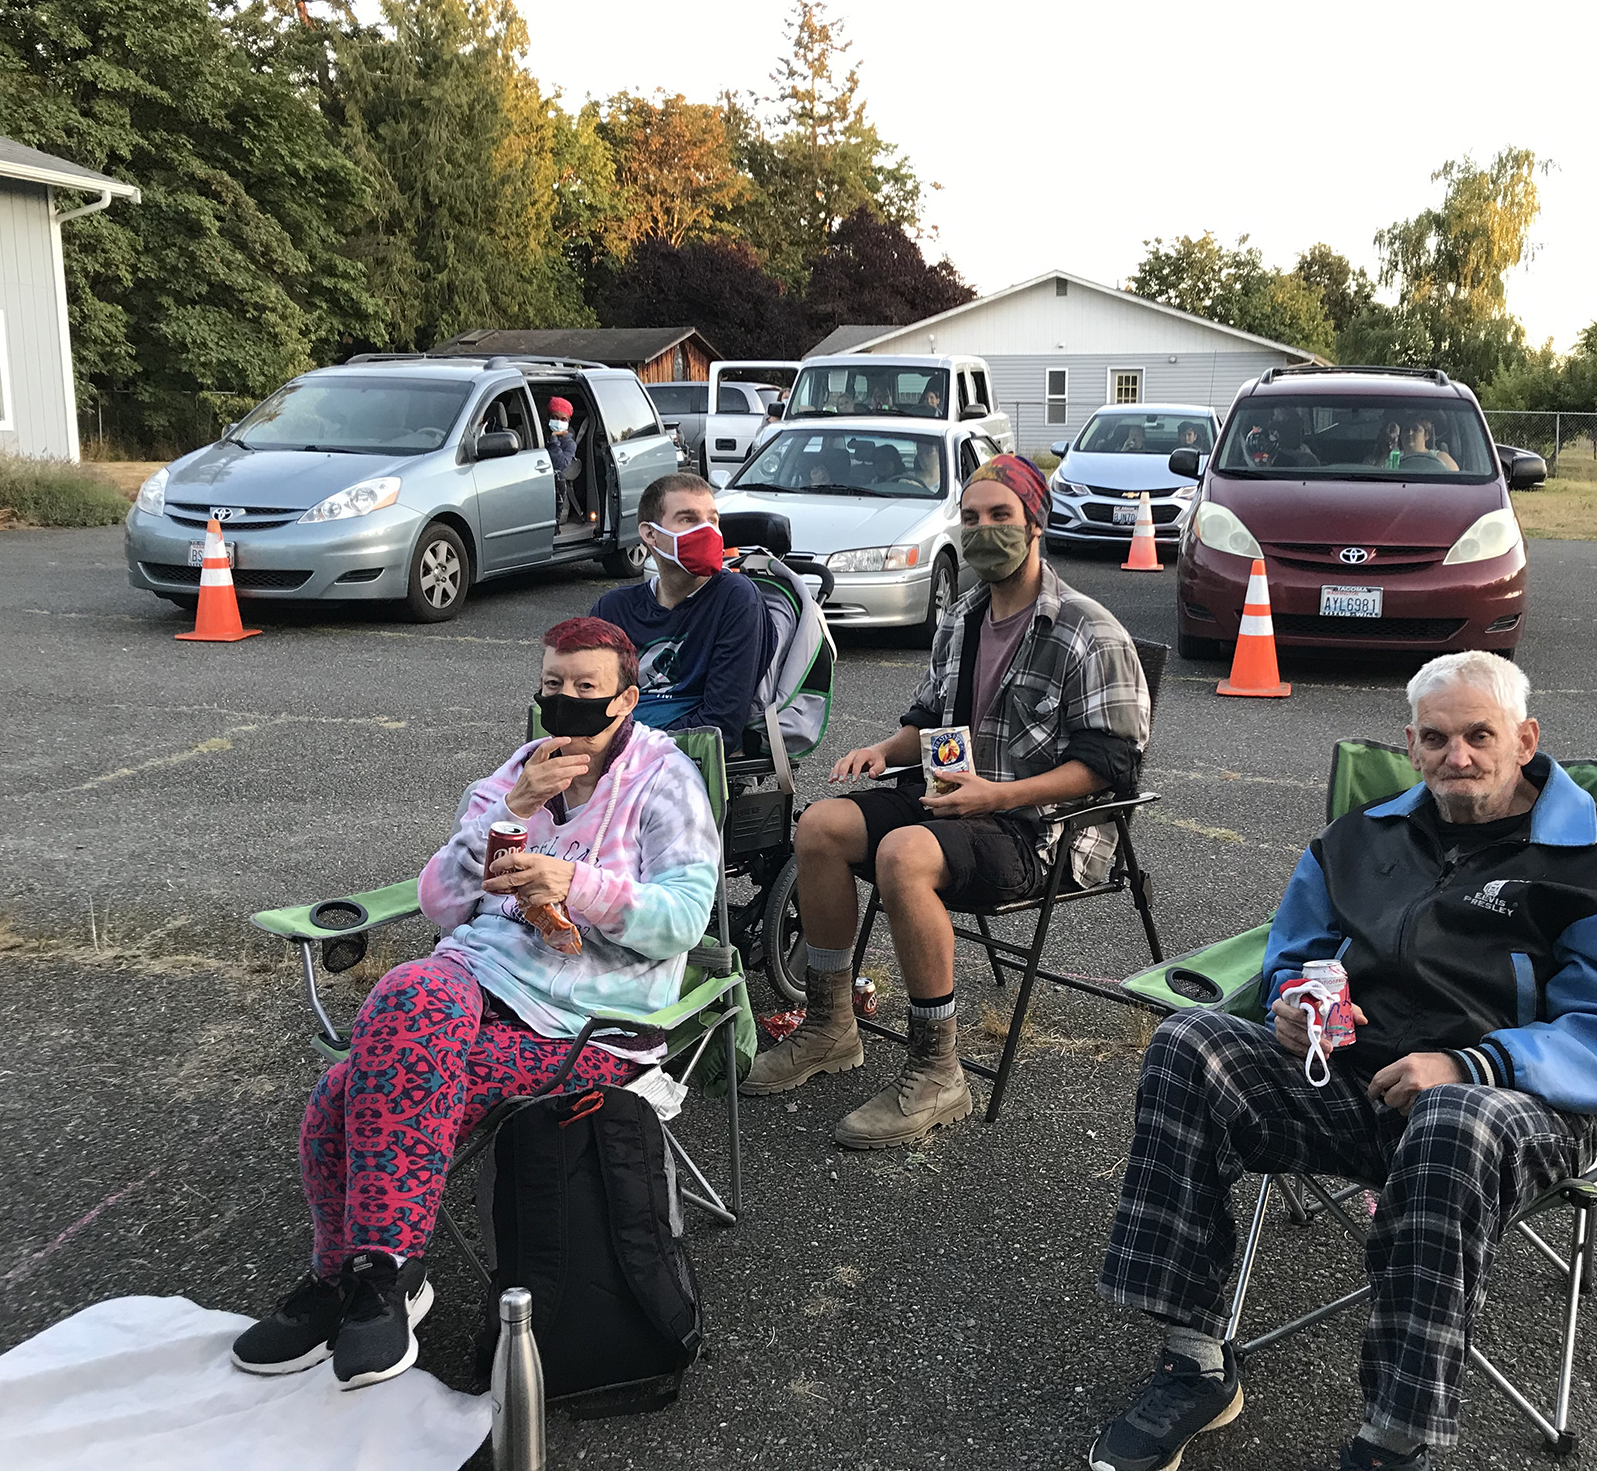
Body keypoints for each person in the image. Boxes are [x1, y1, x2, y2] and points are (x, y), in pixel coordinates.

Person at [1086, 651, 1597, 1471]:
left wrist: (1473, 1065)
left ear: (1525, 738)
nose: (1459, 757)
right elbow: (1294, 954)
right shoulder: (1356, 840)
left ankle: (1395, 1437)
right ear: (1411, 745)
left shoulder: (1591, 859)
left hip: (1511, 1109)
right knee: (1189, 1045)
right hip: (1353, 1085)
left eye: (1481, 735)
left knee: (1450, 1121)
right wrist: (1294, 1005)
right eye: (1437, 738)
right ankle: (1194, 1363)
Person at [230, 618, 721, 1390]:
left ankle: (352, 1279)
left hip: (589, 1020)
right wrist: (510, 813)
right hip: (475, 983)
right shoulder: (518, 774)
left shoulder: (664, 782)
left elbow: (683, 921)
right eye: (553, 684)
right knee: (408, 985)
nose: (566, 701)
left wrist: (575, 885)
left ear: (625, 699)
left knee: (340, 1096)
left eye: (585, 689)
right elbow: (440, 904)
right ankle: (383, 1274)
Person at [742, 454, 1150, 1146]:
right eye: (970, 517)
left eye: (1000, 516)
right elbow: (929, 718)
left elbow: (1112, 766)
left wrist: (1000, 792)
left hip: (1037, 830)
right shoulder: (962, 617)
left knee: (903, 854)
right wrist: (885, 750)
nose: (982, 529)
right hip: (949, 802)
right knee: (820, 825)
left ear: (1035, 524)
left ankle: (938, 1069)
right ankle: (831, 1026)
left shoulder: (1088, 629)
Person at [589, 471, 773, 753]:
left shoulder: (735, 599)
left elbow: (720, 726)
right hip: (603, 754)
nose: (707, 531)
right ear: (650, 534)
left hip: (673, 763)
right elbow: (584, 699)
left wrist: (623, 747)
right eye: (688, 519)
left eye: (712, 520)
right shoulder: (613, 608)